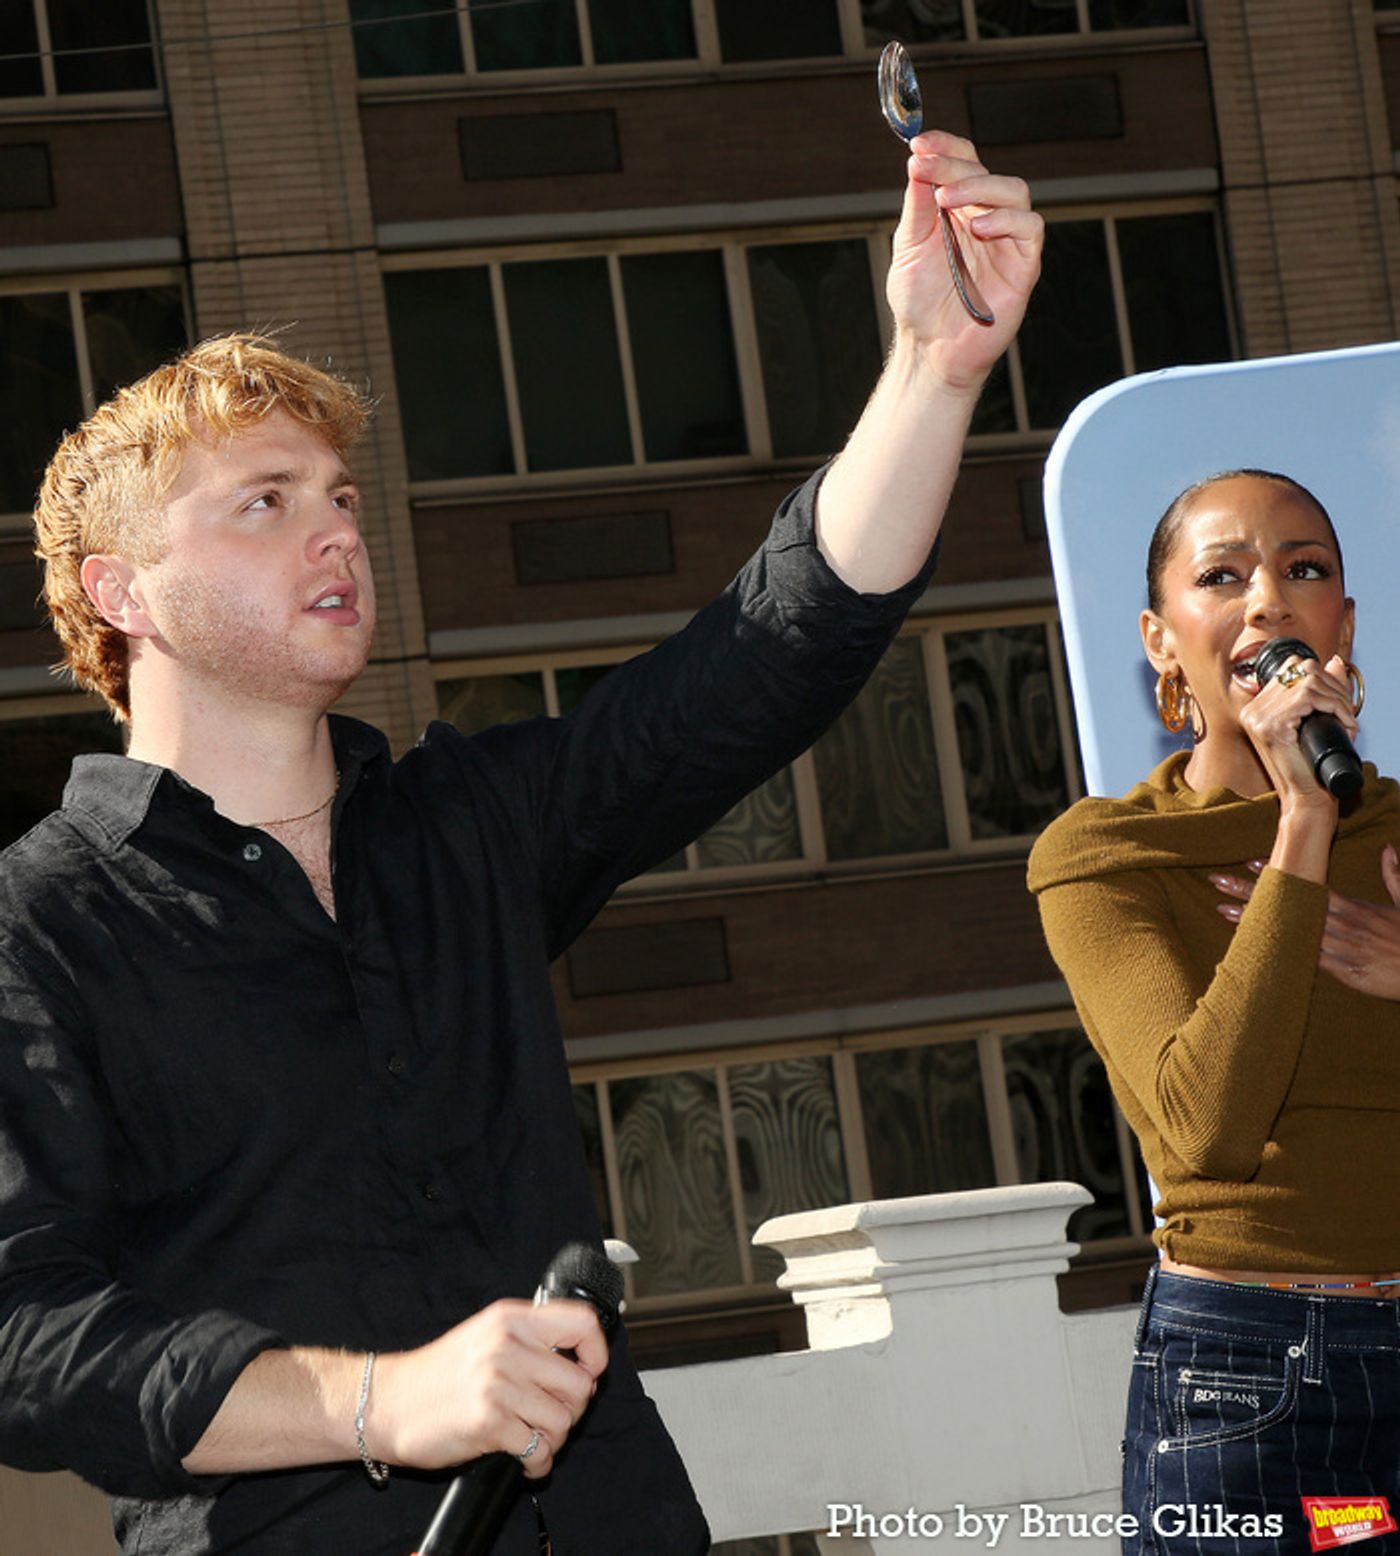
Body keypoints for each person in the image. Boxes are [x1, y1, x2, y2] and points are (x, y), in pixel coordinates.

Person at [0, 129, 1042, 1556]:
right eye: (267, 502)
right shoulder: (37, 926)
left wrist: (936, 369)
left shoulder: (465, 824)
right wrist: (380, 1403)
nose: (339, 534)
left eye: (343, 498)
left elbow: (756, 663)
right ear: (124, 591)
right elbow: (26, 1336)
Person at [1028, 470, 1400, 1553]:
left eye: (1303, 570)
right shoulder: (1106, 855)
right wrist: (1298, 825)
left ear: (1342, 624)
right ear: (1159, 637)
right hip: (1255, 1376)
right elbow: (1205, 1125)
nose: (1267, 602)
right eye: (1222, 575)